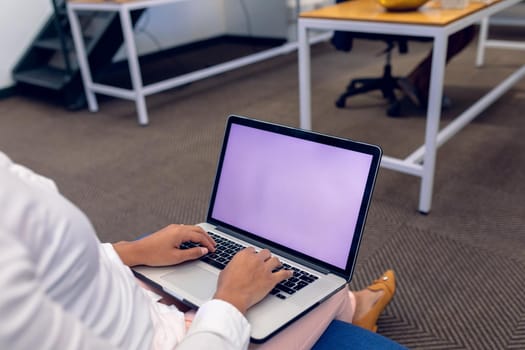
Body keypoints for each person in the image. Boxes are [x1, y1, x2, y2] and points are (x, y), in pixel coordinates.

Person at [0, 151, 397, 349]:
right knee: (321, 283)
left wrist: (129, 252)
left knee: (274, 266)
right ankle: (355, 308)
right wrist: (230, 301)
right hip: (185, 339)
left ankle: (351, 306)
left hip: (133, 301)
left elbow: (48, 266)